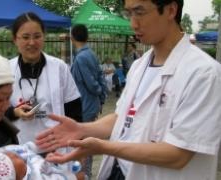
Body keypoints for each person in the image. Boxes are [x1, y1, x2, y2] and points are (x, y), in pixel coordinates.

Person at [36, 0, 221, 180]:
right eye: (129, 13)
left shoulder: (203, 73)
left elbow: (178, 154)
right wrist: (82, 128)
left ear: (171, 10)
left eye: (140, 12)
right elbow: (122, 117)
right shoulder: (140, 65)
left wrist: (104, 147)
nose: (133, 23)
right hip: (119, 170)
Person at [9, 12, 82, 146]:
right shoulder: (6, 70)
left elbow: (74, 110)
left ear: (44, 37)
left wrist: (78, 146)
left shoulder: (59, 67)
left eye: (37, 36)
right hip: (20, 150)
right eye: (25, 37)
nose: (32, 42)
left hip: (55, 148)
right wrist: (14, 112)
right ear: (15, 39)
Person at [70, 24, 108, 180]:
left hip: (85, 106)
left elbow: (92, 83)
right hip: (91, 104)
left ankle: (85, 175)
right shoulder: (91, 54)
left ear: (72, 38)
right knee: (86, 143)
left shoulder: (80, 58)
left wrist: (99, 93)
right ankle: (86, 174)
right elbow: (100, 77)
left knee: (83, 145)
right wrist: (102, 98)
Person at [0, 141, 79, 180]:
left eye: (9, 155)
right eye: (14, 159)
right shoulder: (36, 177)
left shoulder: (10, 152)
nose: (13, 155)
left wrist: (46, 145)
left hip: (51, 161)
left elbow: (26, 148)